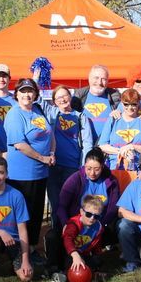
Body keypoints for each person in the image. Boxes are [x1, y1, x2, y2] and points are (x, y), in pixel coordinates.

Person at [4, 78, 54, 256]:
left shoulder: (38, 110)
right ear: (16, 94)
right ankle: (18, 252)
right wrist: (42, 158)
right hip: (21, 175)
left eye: (30, 91)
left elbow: (50, 134)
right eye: (23, 91)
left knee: (36, 213)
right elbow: (19, 144)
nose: (27, 94)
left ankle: (31, 249)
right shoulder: (14, 114)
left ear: (35, 94)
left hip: (40, 173)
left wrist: (52, 154)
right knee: (22, 215)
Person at [43, 85, 95, 228]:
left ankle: (70, 238)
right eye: (58, 97)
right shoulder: (52, 113)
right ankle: (56, 237)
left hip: (72, 168)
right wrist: (37, 76)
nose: (62, 99)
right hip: (53, 167)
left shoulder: (80, 117)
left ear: (70, 97)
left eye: (65, 95)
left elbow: (87, 144)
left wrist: (83, 168)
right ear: (53, 101)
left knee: (70, 205)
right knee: (56, 205)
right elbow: (38, 99)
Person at [54, 147, 121, 234]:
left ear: (103, 166)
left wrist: (100, 225)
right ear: (84, 165)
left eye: (97, 169)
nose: (92, 173)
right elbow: (61, 206)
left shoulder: (112, 181)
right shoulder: (75, 179)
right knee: (53, 237)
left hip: (100, 225)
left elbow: (112, 209)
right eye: (89, 168)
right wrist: (66, 225)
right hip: (76, 225)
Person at [99, 88, 141, 172]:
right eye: (126, 104)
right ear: (121, 104)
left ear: (138, 104)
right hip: (114, 167)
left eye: (133, 104)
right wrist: (122, 151)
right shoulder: (113, 119)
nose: (130, 108)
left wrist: (132, 147)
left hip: (139, 168)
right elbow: (102, 145)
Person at [52, 195, 106, 282]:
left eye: (96, 216)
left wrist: (98, 259)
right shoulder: (74, 223)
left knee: (96, 260)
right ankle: (63, 276)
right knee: (72, 262)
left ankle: (94, 273)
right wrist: (75, 255)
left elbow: (97, 246)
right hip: (68, 252)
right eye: (88, 214)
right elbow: (67, 239)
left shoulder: (98, 227)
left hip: (83, 253)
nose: (92, 218)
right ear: (81, 211)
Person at [72, 64, 121, 140]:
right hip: (85, 147)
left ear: (107, 81)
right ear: (89, 78)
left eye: (103, 79)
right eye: (96, 78)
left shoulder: (115, 98)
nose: (99, 82)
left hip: (107, 147)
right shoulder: (78, 98)